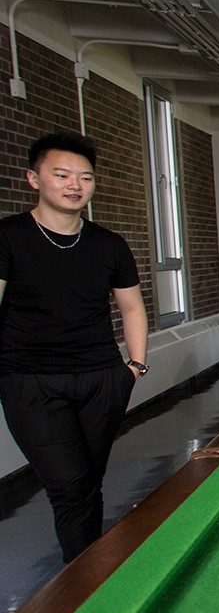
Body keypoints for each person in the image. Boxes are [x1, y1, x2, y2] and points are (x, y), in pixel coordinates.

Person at [0, 132, 149, 563]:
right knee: (68, 484)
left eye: (85, 177)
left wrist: (134, 367)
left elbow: (132, 307)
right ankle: (85, 580)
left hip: (102, 379)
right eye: (62, 175)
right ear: (34, 179)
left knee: (87, 482)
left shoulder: (108, 244)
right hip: (30, 382)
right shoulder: (8, 237)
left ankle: (87, 569)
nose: (75, 185)